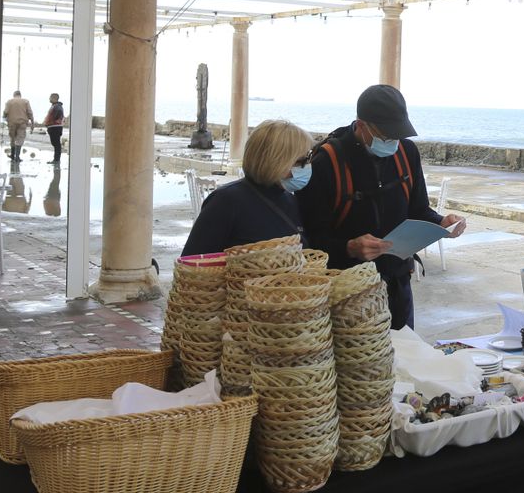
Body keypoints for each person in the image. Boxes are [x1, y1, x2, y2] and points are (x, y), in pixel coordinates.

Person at [296, 85, 465, 331]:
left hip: (398, 283)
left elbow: (418, 210)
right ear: (361, 126)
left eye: (398, 134)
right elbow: (309, 240)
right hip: (347, 289)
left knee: (406, 357)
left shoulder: (406, 152)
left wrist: (441, 223)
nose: (393, 142)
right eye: (386, 136)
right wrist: (349, 247)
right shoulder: (327, 161)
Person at [182, 120, 315, 256]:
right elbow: (192, 262)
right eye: (301, 162)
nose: (307, 167)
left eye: (309, 160)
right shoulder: (226, 201)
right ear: (276, 162)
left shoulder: (290, 200)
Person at [3, 90, 34, 162]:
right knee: (20, 139)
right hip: (22, 123)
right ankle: (17, 157)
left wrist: (4, 117)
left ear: (14, 95)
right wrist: (32, 123)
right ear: (20, 95)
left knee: (12, 139)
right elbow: (30, 113)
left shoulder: (9, 102)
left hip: (11, 123)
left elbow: (5, 112)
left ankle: (12, 155)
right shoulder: (25, 101)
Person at [42, 93, 65, 165]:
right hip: (53, 127)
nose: (49, 99)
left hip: (55, 127)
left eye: (50, 97)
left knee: (56, 143)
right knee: (55, 143)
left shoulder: (57, 107)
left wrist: (51, 122)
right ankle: (56, 159)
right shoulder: (54, 106)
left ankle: (56, 159)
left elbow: (56, 116)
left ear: (54, 98)